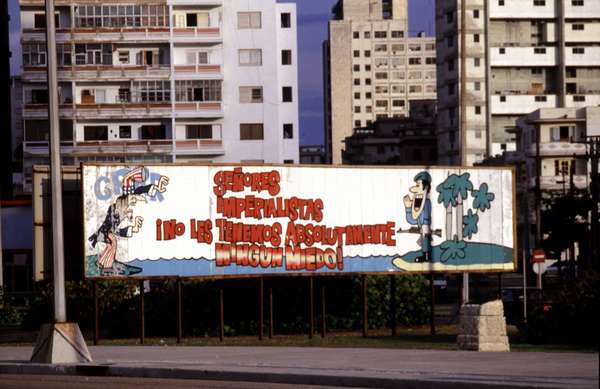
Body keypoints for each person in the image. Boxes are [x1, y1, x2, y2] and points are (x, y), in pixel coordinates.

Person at [403, 171, 432, 263]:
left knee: (425, 241)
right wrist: (408, 207)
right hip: (422, 226)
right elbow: (412, 220)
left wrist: (425, 226)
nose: (415, 187)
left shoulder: (426, 202)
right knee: (423, 241)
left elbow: (425, 217)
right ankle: (425, 255)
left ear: (425, 187)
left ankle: (426, 256)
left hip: (424, 226)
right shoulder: (418, 201)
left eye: (418, 184)